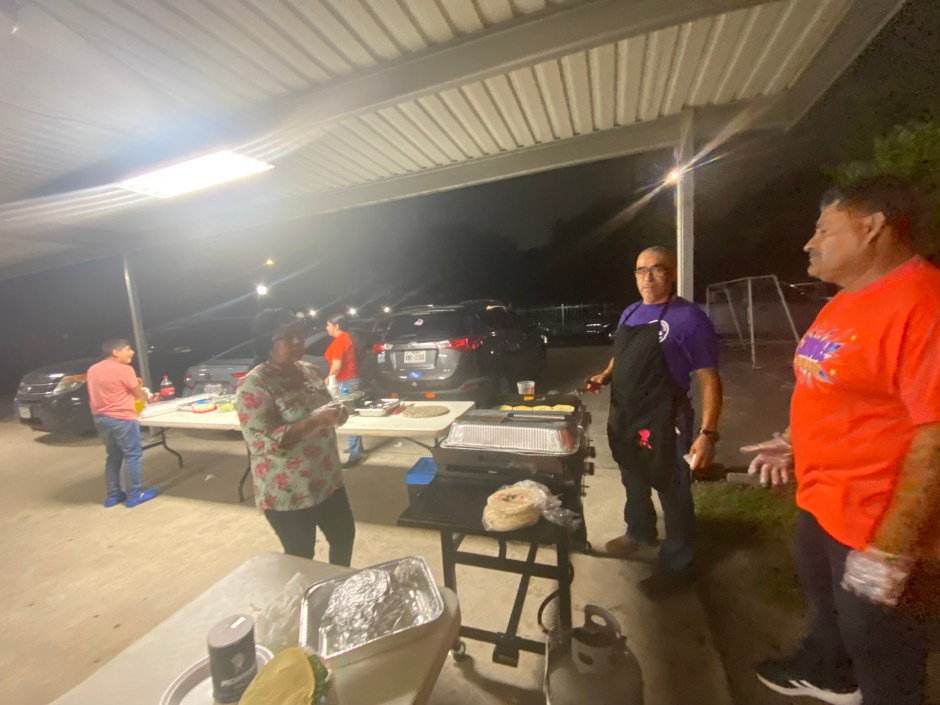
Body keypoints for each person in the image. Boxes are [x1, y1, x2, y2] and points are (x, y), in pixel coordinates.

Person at [744, 176, 940, 705]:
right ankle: (830, 672)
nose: (810, 243)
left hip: (877, 526)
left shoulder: (923, 303)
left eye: (824, 229)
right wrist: (792, 441)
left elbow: (935, 436)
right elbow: (831, 386)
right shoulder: (845, 301)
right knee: (826, 613)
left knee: (886, 660)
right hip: (821, 503)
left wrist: (892, 550)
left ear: (872, 227)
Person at [590, 245, 723, 586]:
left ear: (671, 273)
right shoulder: (631, 311)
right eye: (640, 270)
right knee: (632, 476)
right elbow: (621, 353)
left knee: (672, 488)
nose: (647, 277)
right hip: (626, 415)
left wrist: (707, 434)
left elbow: (709, 380)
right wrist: (606, 375)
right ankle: (639, 532)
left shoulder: (689, 318)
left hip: (666, 417)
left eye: (656, 269)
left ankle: (678, 565)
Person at [236, 309, 356, 565]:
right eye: (287, 336)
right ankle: (304, 592)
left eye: (300, 334)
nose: (297, 341)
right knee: (301, 555)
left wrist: (337, 414)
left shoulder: (311, 371)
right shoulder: (255, 384)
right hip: (289, 490)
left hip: (328, 479)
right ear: (266, 341)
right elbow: (260, 441)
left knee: (344, 538)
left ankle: (338, 585)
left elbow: (326, 410)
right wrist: (316, 421)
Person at [86, 338, 158, 508]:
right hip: (122, 418)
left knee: (113, 456)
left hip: (101, 418)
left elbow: (110, 388)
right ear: (116, 352)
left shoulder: (93, 369)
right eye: (128, 349)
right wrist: (144, 391)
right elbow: (139, 395)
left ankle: (113, 496)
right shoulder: (125, 369)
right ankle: (135, 495)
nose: (132, 352)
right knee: (133, 455)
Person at [325, 315, 366, 468]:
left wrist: (327, 379)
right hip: (350, 380)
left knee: (349, 417)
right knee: (350, 414)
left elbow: (336, 367)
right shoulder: (347, 338)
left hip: (345, 382)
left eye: (328, 325)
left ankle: (356, 455)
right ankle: (356, 447)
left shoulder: (340, 341)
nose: (326, 328)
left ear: (336, 325)